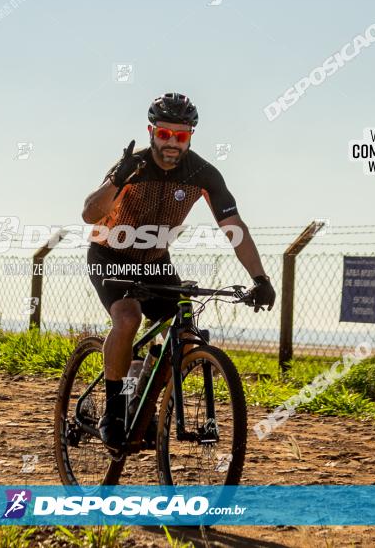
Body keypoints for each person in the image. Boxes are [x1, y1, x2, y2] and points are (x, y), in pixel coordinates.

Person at [81, 92, 276, 450]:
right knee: (128, 318)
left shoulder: (202, 173)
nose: (172, 143)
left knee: (185, 335)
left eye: (181, 136)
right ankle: (113, 410)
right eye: (165, 134)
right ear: (151, 131)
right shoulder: (133, 166)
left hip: (155, 261)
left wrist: (259, 278)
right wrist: (117, 181)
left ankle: (143, 390)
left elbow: (233, 226)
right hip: (108, 255)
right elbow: (90, 214)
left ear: (190, 137)